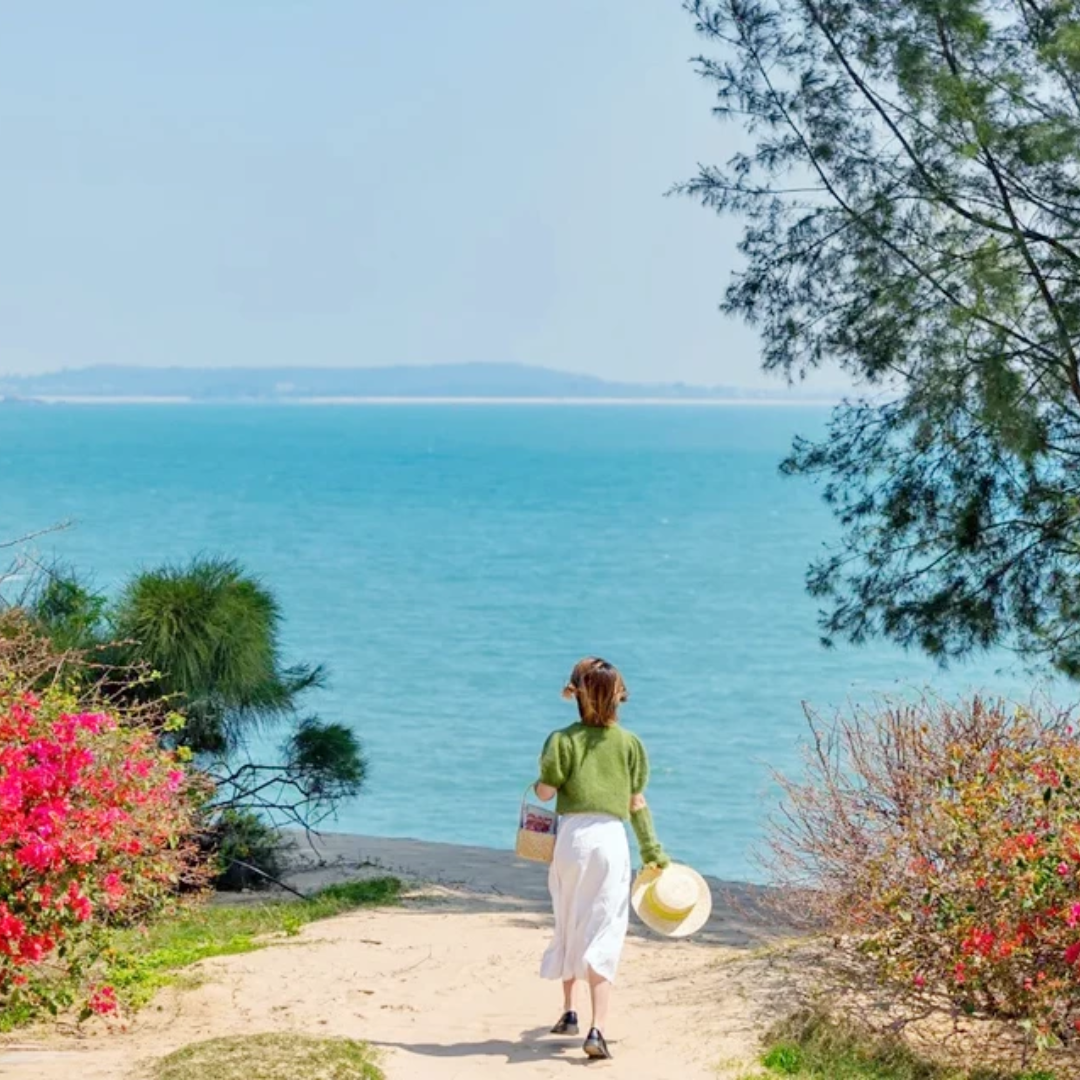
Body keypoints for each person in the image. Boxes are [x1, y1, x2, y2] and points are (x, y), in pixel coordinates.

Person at [533, 656, 669, 1061]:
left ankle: (568, 1012)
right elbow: (637, 803)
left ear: (574, 693)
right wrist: (653, 852)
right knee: (604, 928)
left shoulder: (562, 740)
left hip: (571, 838)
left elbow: (545, 792)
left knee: (569, 916)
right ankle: (597, 1029)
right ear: (618, 696)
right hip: (610, 840)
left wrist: (541, 780)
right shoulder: (630, 744)